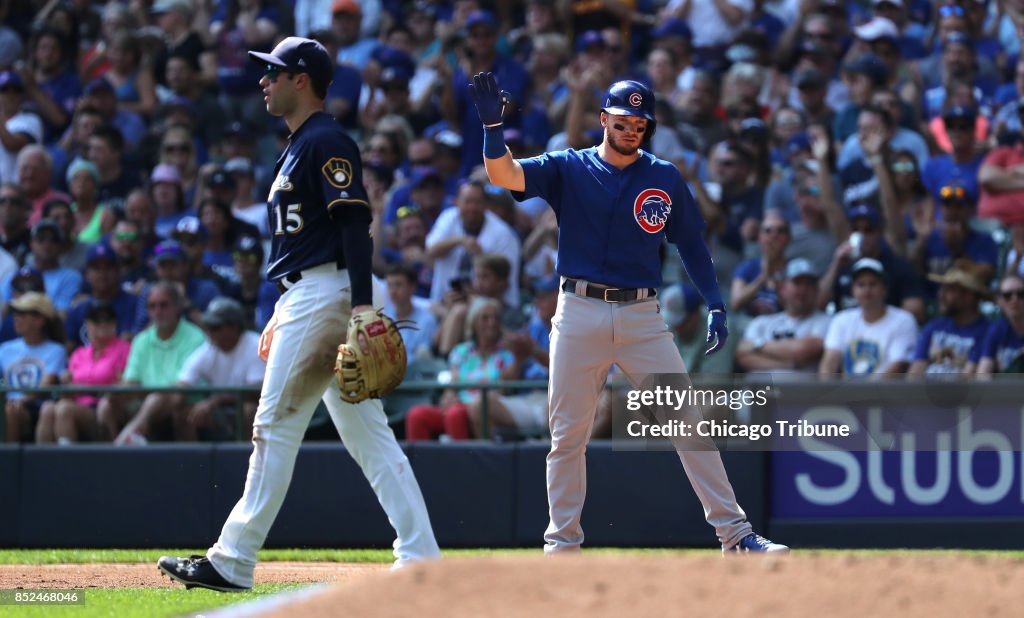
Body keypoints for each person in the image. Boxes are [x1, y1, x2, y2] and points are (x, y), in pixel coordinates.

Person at [158, 37, 439, 592]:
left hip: (329, 293)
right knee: (371, 439)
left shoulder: (326, 140)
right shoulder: (299, 144)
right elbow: (304, 244)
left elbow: (354, 225)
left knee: (274, 425)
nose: (263, 81)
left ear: (301, 78)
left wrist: (359, 304)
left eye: (274, 72)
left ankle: (233, 558)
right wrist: (285, 310)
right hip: (309, 294)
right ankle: (421, 556)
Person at [472, 73, 787, 553]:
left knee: (688, 423)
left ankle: (735, 535)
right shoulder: (569, 166)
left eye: (639, 123)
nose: (631, 129)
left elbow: (691, 244)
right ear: (603, 119)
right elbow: (503, 175)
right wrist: (493, 127)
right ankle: (562, 548)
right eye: (622, 120)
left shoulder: (663, 175)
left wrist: (717, 302)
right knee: (568, 435)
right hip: (577, 308)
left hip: (642, 314)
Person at [36, 302, 130, 444]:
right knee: (47, 408)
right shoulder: (79, 354)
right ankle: (39, 462)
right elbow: (66, 392)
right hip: (79, 404)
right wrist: (65, 384)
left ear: (114, 323)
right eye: (97, 320)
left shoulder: (125, 349)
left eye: (108, 319)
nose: (103, 324)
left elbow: (126, 383)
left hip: (106, 407)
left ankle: (67, 462)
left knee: (64, 409)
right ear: (87, 324)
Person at [819, 258, 918, 376]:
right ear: (853, 291)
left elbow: (898, 366)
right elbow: (830, 361)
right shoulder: (841, 320)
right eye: (861, 285)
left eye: (873, 284)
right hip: (845, 393)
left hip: (886, 393)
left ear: (885, 289)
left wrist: (866, 394)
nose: (867, 290)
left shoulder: (904, 321)